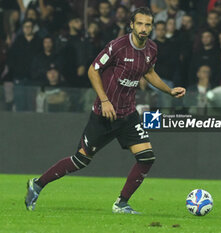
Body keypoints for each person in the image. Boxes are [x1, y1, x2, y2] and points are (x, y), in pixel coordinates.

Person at [25, 7, 186, 214]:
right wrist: (105, 100)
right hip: (104, 114)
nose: (144, 28)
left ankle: (121, 203)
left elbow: (149, 72)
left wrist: (169, 91)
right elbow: (93, 69)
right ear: (131, 25)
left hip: (128, 115)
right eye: (140, 23)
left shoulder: (152, 49)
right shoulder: (118, 46)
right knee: (80, 160)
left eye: (148, 24)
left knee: (146, 157)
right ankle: (37, 185)